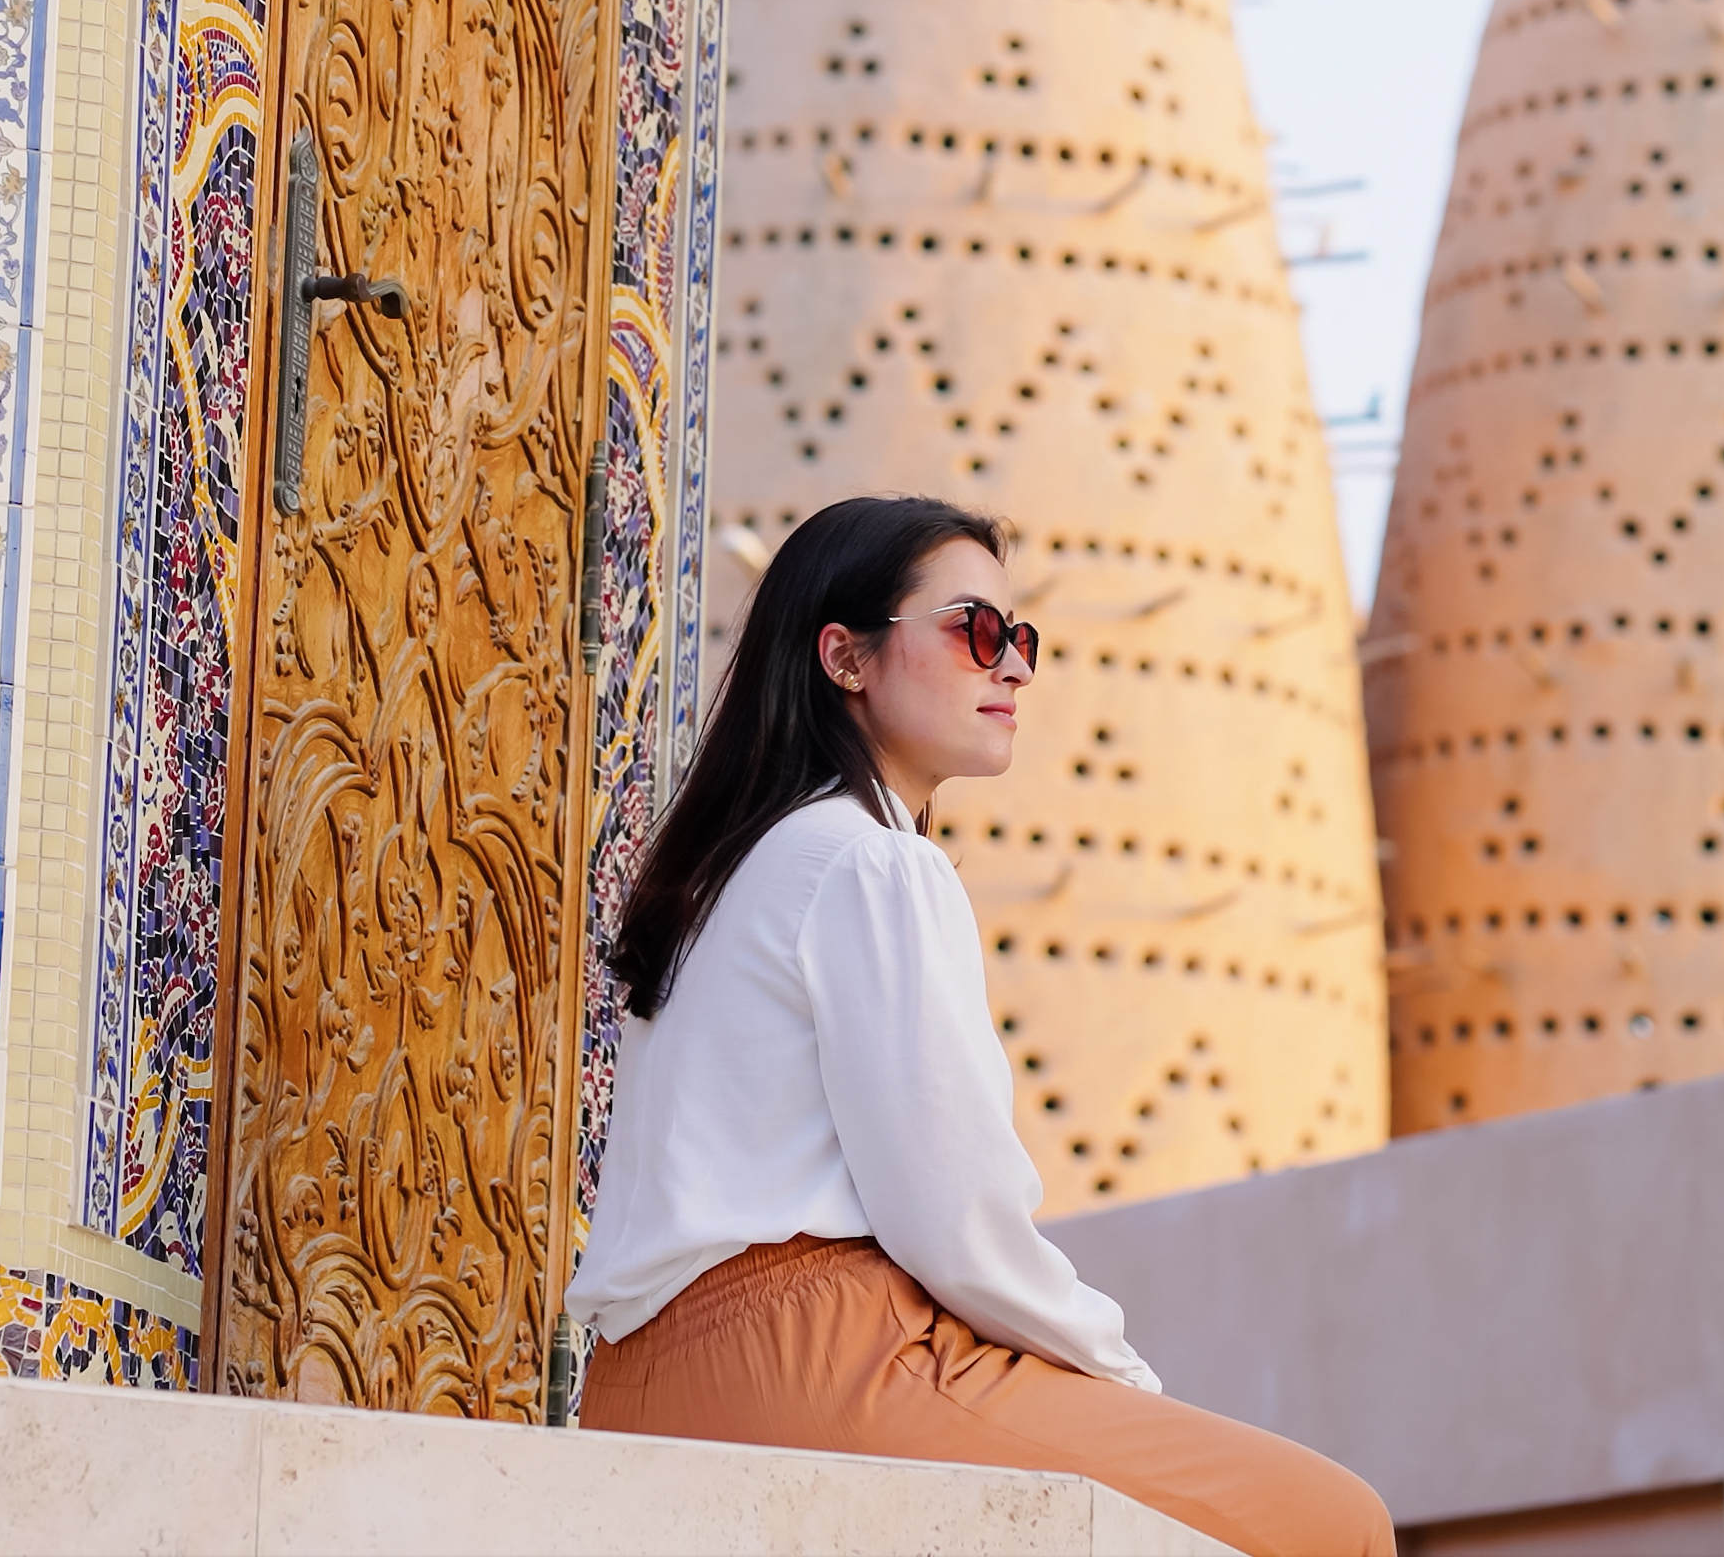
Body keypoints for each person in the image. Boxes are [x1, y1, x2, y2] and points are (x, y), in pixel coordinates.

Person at [567, 495, 1392, 1556]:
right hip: (810, 1361)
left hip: (637, 1381)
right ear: (847, 657)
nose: (1013, 669)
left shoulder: (740, 870)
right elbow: (957, 1220)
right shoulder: (872, 862)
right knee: (1336, 1525)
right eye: (976, 631)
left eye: (1023, 640)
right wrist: (1123, 1379)